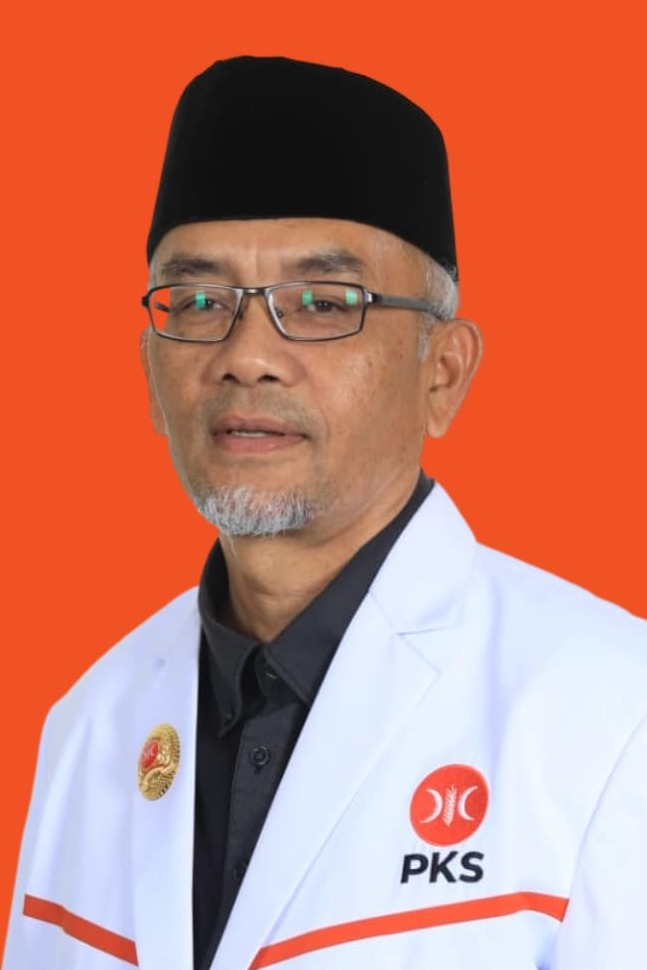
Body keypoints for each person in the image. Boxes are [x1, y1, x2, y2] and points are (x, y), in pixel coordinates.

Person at [4, 54, 647, 970]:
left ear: (442, 373)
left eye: (320, 302)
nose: (246, 356)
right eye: (199, 301)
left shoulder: (612, 713)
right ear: (149, 373)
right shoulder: (88, 726)